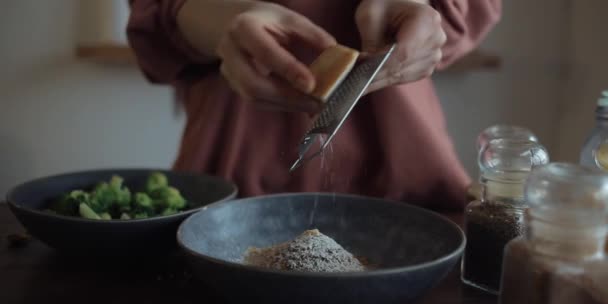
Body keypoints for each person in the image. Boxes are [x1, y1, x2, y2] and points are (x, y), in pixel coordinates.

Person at [127, 0, 501, 211]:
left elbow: (468, 11)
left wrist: (420, 11)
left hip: (411, 191)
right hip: (229, 188)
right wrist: (231, 24)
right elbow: (154, 16)